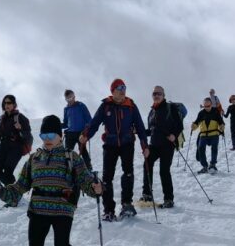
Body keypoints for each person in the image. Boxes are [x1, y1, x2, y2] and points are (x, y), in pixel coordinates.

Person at [0, 115, 103, 246]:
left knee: (61, 244)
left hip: (62, 208)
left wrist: (96, 189)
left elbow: (86, 181)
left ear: (61, 136)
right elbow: (19, 187)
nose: (47, 139)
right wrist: (2, 192)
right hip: (38, 209)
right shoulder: (34, 159)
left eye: (51, 135)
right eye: (43, 135)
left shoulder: (71, 157)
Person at [80, 78, 149, 221]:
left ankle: (127, 204)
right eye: (119, 88)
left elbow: (140, 127)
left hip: (127, 143)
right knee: (107, 178)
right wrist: (86, 135)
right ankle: (109, 210)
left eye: (124, 88)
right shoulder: (106, 106)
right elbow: (94, 123)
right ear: (113, 91)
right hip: (110, 144)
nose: (123, 91)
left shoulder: (131, 106)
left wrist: (145, 146)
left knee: (128, 173)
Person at [0, 95, 32, 207]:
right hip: (3, 147)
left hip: (16, 148)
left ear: (14, 104)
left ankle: (13, 197)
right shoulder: (2, 119)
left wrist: (20, 129)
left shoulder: (21, 118)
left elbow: (28, 137)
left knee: (8, 171)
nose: (6, 105)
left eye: (9, 103)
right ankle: (15, 193)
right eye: (5, 103)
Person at [143, 86, 184, 208]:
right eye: (154, 93)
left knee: (164, 171)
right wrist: (138, 131)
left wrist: (174, 135)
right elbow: (151, 130)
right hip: (154, 145)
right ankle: (147, 194)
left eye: (159, 93)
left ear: (163, 95)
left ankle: (169, 199)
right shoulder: (152, 112)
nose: (156, 95)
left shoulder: (171, 108)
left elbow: (179, 125)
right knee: (147, 163)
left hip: (167, 145)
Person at [190, 97, 224, 172]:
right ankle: (204, 166)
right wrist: (193, 126)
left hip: (214, 134)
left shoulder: (216, 112)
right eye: (205, 106)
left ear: (211, 105)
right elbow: (197, 122)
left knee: (214, 148)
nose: (206, 108)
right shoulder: (201, 113)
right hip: (203, 134)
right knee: (201, 148)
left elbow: (221, 122)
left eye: (208, 106)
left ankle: (213, 165)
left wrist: (222, 126)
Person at [62, 89, 93, 170]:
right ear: (66, 99)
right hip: (70, 134)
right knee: (67, 152)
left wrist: (86, 130)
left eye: (71, 97)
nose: (70, 100)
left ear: (74, 96)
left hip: (81, 133)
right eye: (68, 98)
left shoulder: (81, 106)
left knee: (83, 151)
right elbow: (66, 123)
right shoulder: (66, 109)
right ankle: (68, 169)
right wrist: (58, 125)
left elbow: (89, 120)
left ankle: (88, 168)